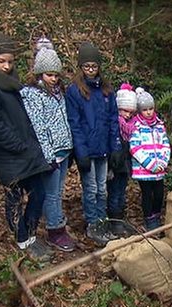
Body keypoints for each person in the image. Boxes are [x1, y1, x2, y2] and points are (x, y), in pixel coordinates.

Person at [0, 30, 51, 260]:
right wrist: (17, 144)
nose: (7, 66)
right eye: (1, 61)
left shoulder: (10, 82)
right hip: (9, 153)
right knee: (15, 198)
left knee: (39, 193)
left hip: (26, 150)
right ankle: (22, 240)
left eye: (10, 61)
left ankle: (30, 233)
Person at [20, 38, 75, 252]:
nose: (53, 79)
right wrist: (48, 156)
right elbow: (39, 128)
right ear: (39, 74)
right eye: (49, 75)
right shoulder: (33, 95)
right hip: (50, 154)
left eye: (56, 75)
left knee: (58, 192)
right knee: (51, 194)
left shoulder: (59, 93)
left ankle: (56, 221)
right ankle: (55, 231)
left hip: (63, 151)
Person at [65, 42, 121, 245]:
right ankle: (92, 223)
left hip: (104, 149)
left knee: (102, 188)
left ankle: (102, 221)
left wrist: (115, 147)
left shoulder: (106, 90)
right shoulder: (74, 91)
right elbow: (75, 123)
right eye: (86, 66)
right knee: (90, 188)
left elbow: (113, 119)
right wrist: (81, 152)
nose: (90, 70)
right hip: (87, 149)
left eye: (94, 67)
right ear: (81, 67)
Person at [129, 88, 171, 230]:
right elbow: (135, 148)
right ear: (140, 111)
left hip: (159, 168)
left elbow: (165, 144)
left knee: (159, 194)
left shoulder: (159, 125)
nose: (148, 112)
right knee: (147, 194)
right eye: (145, 109)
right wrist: (151, 164)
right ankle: (149, 218)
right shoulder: (137, 126)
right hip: (144, 170)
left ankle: (157, 215)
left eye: (151, 109)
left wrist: (163, 162)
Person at [109, 82, 138, 237]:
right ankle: (114, 220)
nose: (127, 115)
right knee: (114, 193)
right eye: (124, 111)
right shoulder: (114, 125)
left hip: (125, 165)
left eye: (130, 112)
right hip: (115, 165)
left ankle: (120, 216)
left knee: (121, 192)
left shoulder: (131, 127)